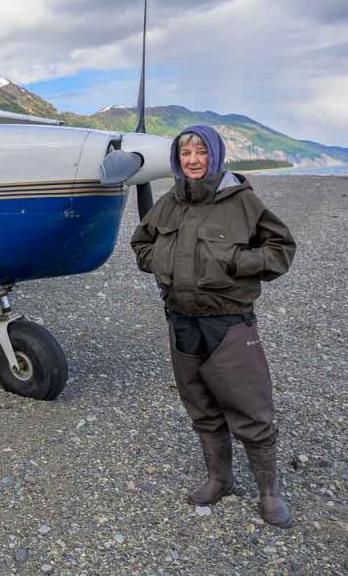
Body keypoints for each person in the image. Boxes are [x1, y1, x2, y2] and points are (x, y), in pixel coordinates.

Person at [131, 125, 296, 528]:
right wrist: (162, 262)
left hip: (229, 320)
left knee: (250, 406)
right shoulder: (170, 202)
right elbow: (141, 243)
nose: (193, 160)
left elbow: (281, 248)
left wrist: (237, 263)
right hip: (181, 318)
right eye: (185, 153)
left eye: (201, 152)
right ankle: (219, 479)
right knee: (200, 404)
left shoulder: (242, 200)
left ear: (215, 156)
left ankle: (269, 492)